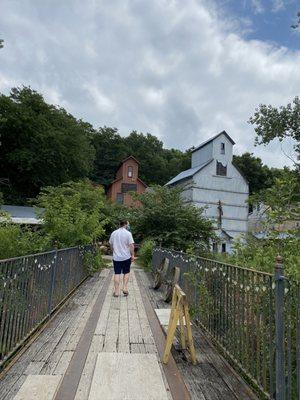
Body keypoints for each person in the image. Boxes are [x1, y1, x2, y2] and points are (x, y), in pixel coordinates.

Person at [109, 220, 135, 297]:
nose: (129, 226)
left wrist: (113, 251)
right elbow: (131, 246)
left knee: (117, 273)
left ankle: (116, 292)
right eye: (128, 224)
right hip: (126, 257)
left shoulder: (114, 233)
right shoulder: (128, 233)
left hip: (116, 257)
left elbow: (110, 244)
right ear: (126, 224)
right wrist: (132, 255)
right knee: (126, 272)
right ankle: (125, 288)